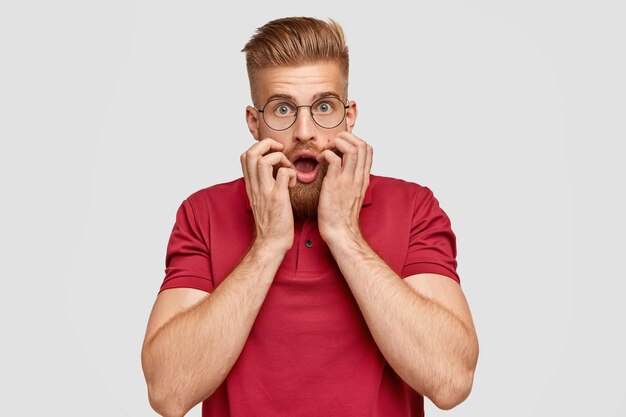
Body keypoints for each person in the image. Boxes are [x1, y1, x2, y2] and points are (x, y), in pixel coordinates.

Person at [141, 16, 479, 417]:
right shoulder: (203, 212)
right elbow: (168, 393)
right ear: (254, 122)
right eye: (283, 108)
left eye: (323, 107)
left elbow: (451, 382)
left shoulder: (414, 206)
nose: (305, 131)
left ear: (349, 116)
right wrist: (267, 245)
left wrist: (345, 235)